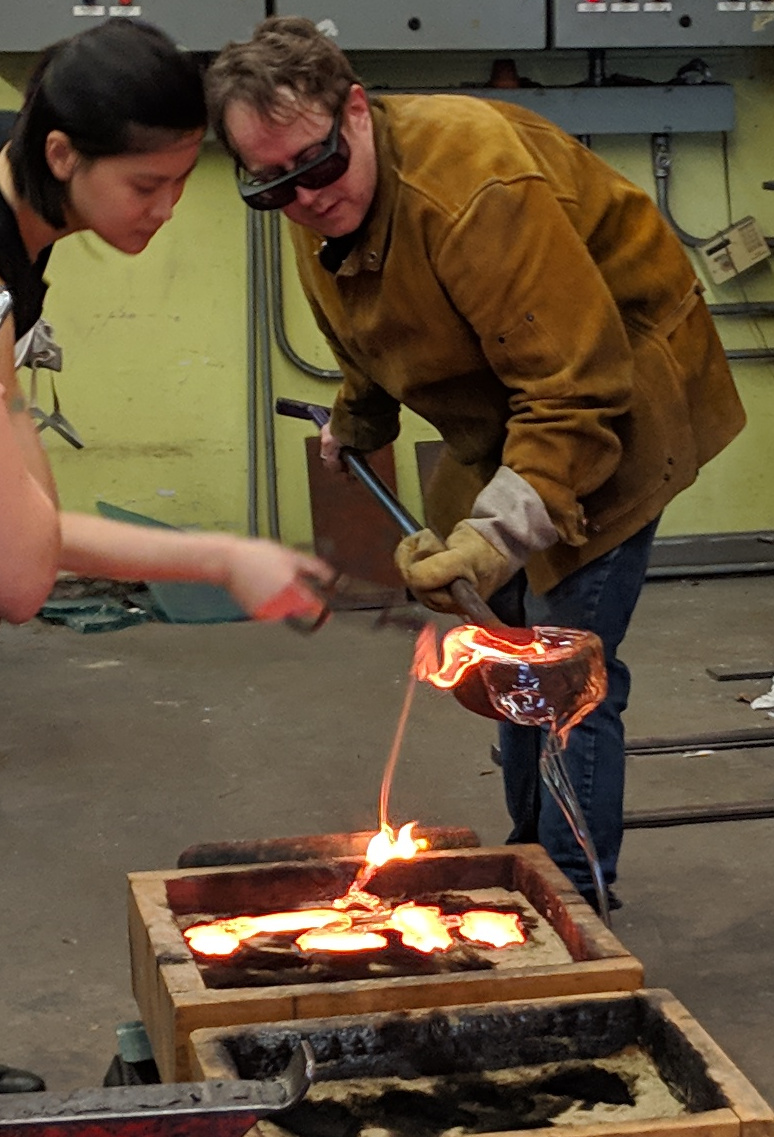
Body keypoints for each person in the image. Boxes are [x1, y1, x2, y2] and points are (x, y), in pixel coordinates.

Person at [205, 16, 745, 913]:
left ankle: (573, 896)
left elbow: (577, 396)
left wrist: (492, 539)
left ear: (357, 110)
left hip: (615, 396)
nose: (301, 199)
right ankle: (530, 857)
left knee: (565, 667)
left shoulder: (476, 188)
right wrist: (357, 416)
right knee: (500, 647)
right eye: (271, 188)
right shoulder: (317, 187)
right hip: (500, 412)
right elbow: (362, 316)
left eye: (313, 168)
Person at [0, 17, 335, 1091]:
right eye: (145, 185)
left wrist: (227, 557)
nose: (166, 208)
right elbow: (20, 577)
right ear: (63, 156)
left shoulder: (21, 240)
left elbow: (32, 525)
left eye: (183, 180)